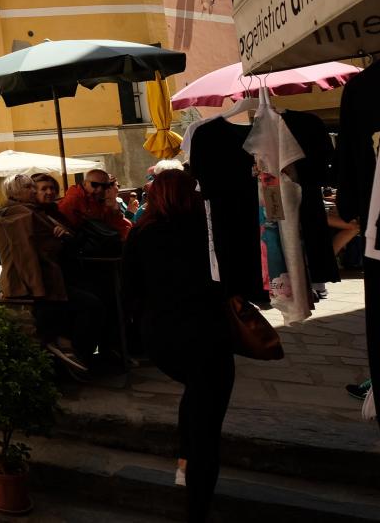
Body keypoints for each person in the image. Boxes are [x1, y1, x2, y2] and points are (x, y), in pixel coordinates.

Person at [124, 170, 233, 523]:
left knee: (197, 396)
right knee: (208, 422)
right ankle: (196, 505)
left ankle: (186, 463)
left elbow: (130, 290)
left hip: (161, 336)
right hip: (204, 334)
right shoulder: (208, 229)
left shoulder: (141, 233)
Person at [0, 175, 92, 372]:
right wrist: (37, 287)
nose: (33, 190)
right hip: (38, 281)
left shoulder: (28, 211)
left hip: (45, 278)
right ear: (16, 191)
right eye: (29, 186)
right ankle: (67, 348)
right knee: (88, 306)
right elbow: (26, 253)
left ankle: (65, 346)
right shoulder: (20, 214)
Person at [58, 169, 132, 240]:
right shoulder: (74, 199)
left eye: (104, 186)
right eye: (95, 185)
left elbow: (115, 222)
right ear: (84, 183)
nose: (99, 189)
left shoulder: (100, 198)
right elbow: (62, 223)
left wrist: (114, 208)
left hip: (103, 236)